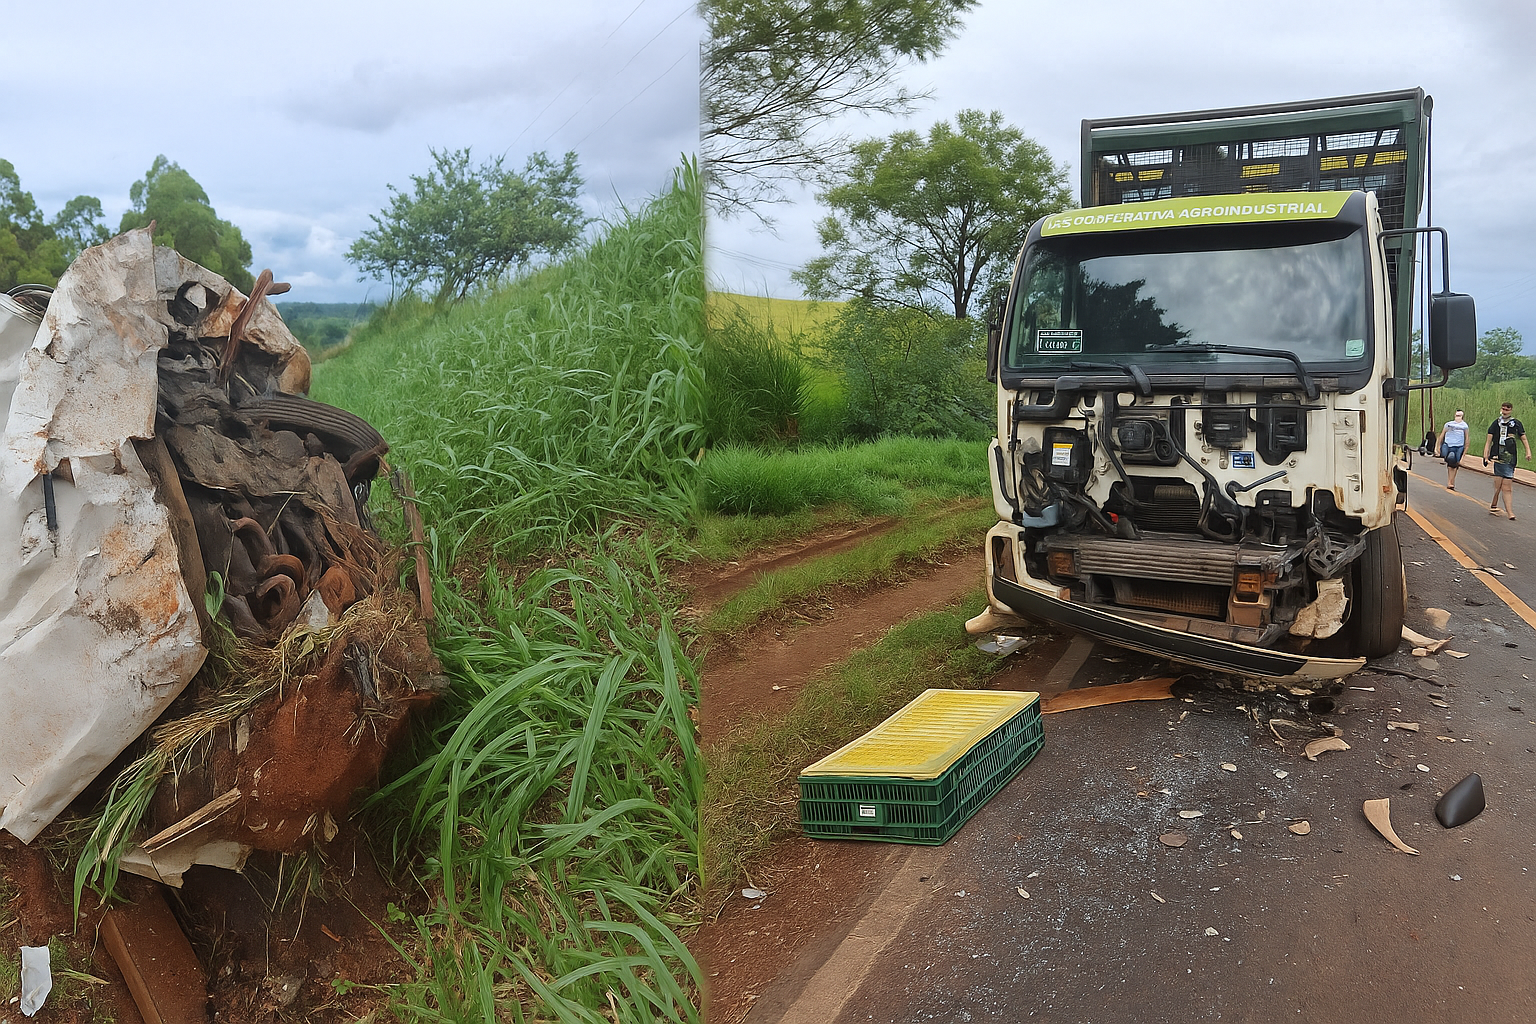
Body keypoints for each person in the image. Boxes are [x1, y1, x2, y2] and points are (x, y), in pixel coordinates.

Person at [1483, 401, 1532, 519]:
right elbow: (1489, 440)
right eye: (1503, 409)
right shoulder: (1496, 423)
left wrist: (1528, 451)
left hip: (1510, 456)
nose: (1505, 411)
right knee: (1498, 484)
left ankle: (1510, 512)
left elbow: (1523, 438)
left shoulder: (1515, 423)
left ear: (1511, 410)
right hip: (1497, 455)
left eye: (1507, 409)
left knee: (1507, 485)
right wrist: (1486, 455)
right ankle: (1494, 504)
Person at [1441, 409, 1469, 490]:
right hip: (1449, 444)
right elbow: (1442, 435)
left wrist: (1464, 452)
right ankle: (1450, 481)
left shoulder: (1464, 426)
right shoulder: (1449, 424)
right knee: (1450, 459)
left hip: (1459, 446)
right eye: (1457, 415)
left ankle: (1451, 482)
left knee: (1455, 463)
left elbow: (1467, 438)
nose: (1458, 417)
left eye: (1459, 416)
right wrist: (1437, 447)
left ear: (1462, 417)